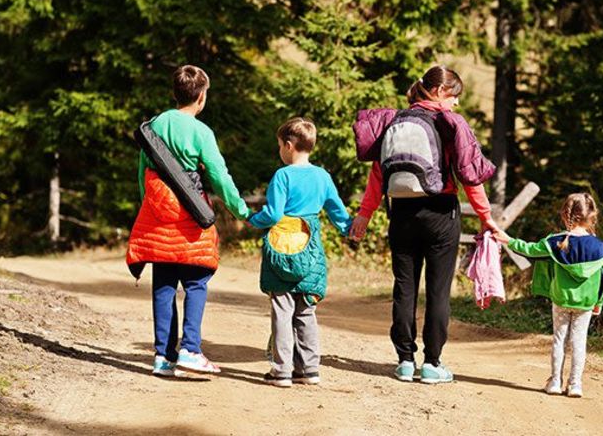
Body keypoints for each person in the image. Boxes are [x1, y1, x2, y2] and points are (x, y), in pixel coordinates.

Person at [349, 65, 508, 384]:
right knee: (437, 291)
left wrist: (364, 216)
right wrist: (485, 217)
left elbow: (378, 174)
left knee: (404, 287)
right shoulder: (447, 123)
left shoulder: (394, 121)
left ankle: (405, 361)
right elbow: (469, 176)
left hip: (402, 215)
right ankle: (432, 364)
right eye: (454, 96)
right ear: (437, 92)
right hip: (440, 213)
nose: (456, 104)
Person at [126, 65, 252, 377]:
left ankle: (163, 357)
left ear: (176, 92)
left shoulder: (154, 125)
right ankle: (191, 350)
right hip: (189, 214)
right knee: (196, 281)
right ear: (201, 97)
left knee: (164, 284)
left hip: (158, 213)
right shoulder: (201, 132)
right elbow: (219, 177)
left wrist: (149, 206)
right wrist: (241, 211)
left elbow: (144, 170)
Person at [249, 117, 352, 387]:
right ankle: (309, 370)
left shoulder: (282, 175)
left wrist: (252, 219)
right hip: (311, 248)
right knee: (306, 309)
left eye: (280, 146)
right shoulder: (322, 176)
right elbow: (337, 212)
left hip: (281, 246)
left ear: (288, 145)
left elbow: (272, 214)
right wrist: (350, 229)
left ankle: (281, 370)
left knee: (282, 309)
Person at [503, 193, 603, 398]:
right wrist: (600, 301)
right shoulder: (601, 248)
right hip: (586, 303)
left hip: (560, 299)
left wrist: (507, 239)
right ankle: (575, 385)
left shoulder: (556, 242)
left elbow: (530, 249)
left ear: (565, 215)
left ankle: (554, 382)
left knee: (559, 340)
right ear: (591, 216)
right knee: (579, 342)